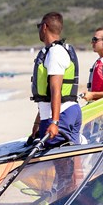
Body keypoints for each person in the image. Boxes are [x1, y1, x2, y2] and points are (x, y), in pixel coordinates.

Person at [30, 12, 82, 147]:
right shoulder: (59, 50)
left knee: (61, 164)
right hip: (68, 111)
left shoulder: (55, 53)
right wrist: (38, 122)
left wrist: (54, 122)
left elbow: (55, 90)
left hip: (61, 115)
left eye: (39, 26)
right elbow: (47, 94)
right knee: (72, 158)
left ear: (44, 27)